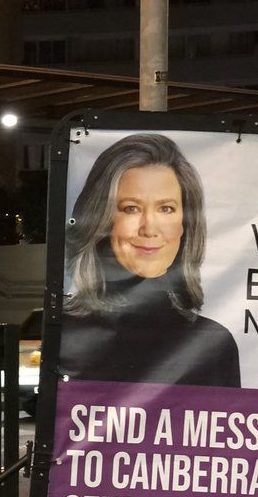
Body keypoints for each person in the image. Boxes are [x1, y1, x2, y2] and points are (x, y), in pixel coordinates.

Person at [60, 133, 241, 387]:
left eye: (166, 208)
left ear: (185, 224)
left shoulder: (213, 342)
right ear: (100, 220)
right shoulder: (65, 331)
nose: (149, 229)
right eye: (130, 208)